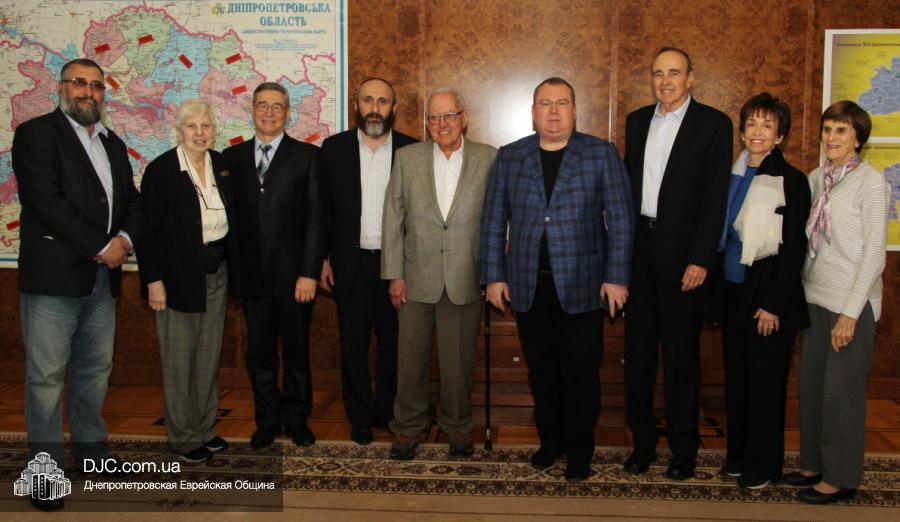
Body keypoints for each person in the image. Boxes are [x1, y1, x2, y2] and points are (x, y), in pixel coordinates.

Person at [481, 77, 633, 481]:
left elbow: (621, 220)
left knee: (580, 373)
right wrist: (493, 275)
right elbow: (493, 220)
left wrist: (617, 277)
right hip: (528, 286)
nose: (553, 111)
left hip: (584, 285)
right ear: (533, 112)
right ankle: (551, 442)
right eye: (545, 103)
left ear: (574, 110)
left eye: (562, 103)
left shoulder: (600, 153)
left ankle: (580, 450)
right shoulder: (511, 156)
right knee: (542, 372)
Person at [12, 58, 140, 511]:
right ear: (61, 87)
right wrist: (101, 245)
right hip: (54, 279)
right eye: (79, 83)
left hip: (101, 280)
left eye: (96, 85)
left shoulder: (112, 143)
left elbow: (132, 201)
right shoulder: (36, 135)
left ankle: (91, 454)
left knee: (94, 371)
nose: (88, 91)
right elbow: (46, 201)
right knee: (46, 379)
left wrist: (125, 240)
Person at [622, 47, 732, 480]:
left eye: (674, 73)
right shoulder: (636, 121)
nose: (665, 81)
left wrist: (701, 258)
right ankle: (642, 445)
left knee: (681, 359)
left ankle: (684, 450)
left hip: (685, 258)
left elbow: (715, 199)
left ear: (690, 78)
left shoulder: (714, 125)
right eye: (658, 74)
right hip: (640, 253)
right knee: (638, 356)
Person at [382, 87, 497, 460]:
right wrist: (394, 274)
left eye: (449, 115)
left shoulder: (488, 158)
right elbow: (393, 218)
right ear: (426, 122)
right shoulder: (407, 158)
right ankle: (407, 427)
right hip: (415, 278)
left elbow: (498, 219)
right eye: (434, 117)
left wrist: (493, 272)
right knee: (410, 360)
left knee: (458, 363)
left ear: (464, 118)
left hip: (465, 277)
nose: (442, 123)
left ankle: (458, 426)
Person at [786, 101, 888, 504]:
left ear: (858, 138)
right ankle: (813, 465)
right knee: (813, 389)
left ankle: (841, 477)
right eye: (827, 129)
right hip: (815, 299)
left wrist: (850, 314)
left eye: (841, 130)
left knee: (841, 395)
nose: (831, 137)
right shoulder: (818, 179)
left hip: (851, 305)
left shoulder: (871, 183)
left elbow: (874, 256)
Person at [223, 82, 325, 449]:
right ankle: (266, 420)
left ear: (287, 113)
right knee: (259, 354)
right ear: (251, 109)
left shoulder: (308, 157)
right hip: (252, 278)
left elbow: (317, 221)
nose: (269, 113)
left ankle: (296, 419)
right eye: (262, 105)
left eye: (277, 107)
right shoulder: (231, 159)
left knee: (296, 352)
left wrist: (309, 272)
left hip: (295, 279)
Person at [717, 93, 811, 489]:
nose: (758, 132)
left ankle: (764, 466)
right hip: (734, 294)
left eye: (767, 125)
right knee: (739, 383)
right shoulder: (732, 175)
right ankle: (738, 457)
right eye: (752, 124)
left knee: (766, 387)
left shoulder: (790, 180)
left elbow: (793, 250)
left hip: (768, 299)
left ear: (780, 136)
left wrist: (772, 305)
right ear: (742, 131)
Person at [138, 99, 236, 463]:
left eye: (205, 126)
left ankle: (205, 428)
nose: (199, 133)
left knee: (208, 356)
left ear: (214, 131)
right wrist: (154, 281)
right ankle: (181, 436)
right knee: (180, 360)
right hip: (176, 279)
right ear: (178, 131)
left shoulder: (221, 165)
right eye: (192, 126)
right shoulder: (162, 170)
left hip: (217, 275)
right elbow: (147, 232)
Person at [319, 78, 417, 445]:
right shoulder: (334, 149)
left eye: (382, 101)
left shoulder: (411, 149)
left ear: (394, 108)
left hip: (397, 266)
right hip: (351, 263)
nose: (374, 108)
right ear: (356, 106)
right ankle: (359, 416)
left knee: (395, 344)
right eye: (367, 100)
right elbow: (323, 209)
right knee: (354, 345)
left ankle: (388, 412)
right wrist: (322, 259)